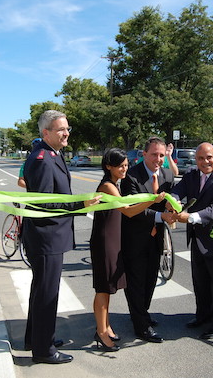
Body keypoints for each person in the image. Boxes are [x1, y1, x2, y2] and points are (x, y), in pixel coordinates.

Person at [22, 110, 100, 364]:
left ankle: (37, 338)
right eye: (61, 130)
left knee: (41, 290)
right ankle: (43, 351)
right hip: (46, 236)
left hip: (50, 236)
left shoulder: (53, 154)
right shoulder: (43, 158)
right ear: (46, 133)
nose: (66, 133)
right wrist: (81, 204)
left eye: (68, 128)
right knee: (47, 293)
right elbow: (47, 203)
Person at [90, 148, 165, 352]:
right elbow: (128, 211)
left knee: (108, 288)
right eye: (120, 166)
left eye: (126, 165)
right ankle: (102, 331)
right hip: (105, 240)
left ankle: (106, 326)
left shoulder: (114, 184)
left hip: (113, 239)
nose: (125, 169)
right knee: (103, 289)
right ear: (108, 166)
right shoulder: (107, 186)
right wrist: (152, 199)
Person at [169, 142, 213, 338]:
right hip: (197, 240)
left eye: (209, 157)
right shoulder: (191, 174)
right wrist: (173, 201)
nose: (205, 161)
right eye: (200, 158)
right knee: (200, 282)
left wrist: (189, 217)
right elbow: (178, 189)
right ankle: (202, 316)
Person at [120, 136, 175, 343]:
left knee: (151, 278)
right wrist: (162, 216)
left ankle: (142, 313)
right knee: (135, 281)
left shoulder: (168, 175)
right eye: (154, 155)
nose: (159, 159)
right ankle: (141, 326)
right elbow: (132, 211)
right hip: (135, 237)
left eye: (162, 155)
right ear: (144, 154)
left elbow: (169, 201)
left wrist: (173, 208)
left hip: (156, 237)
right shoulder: (131, 177)